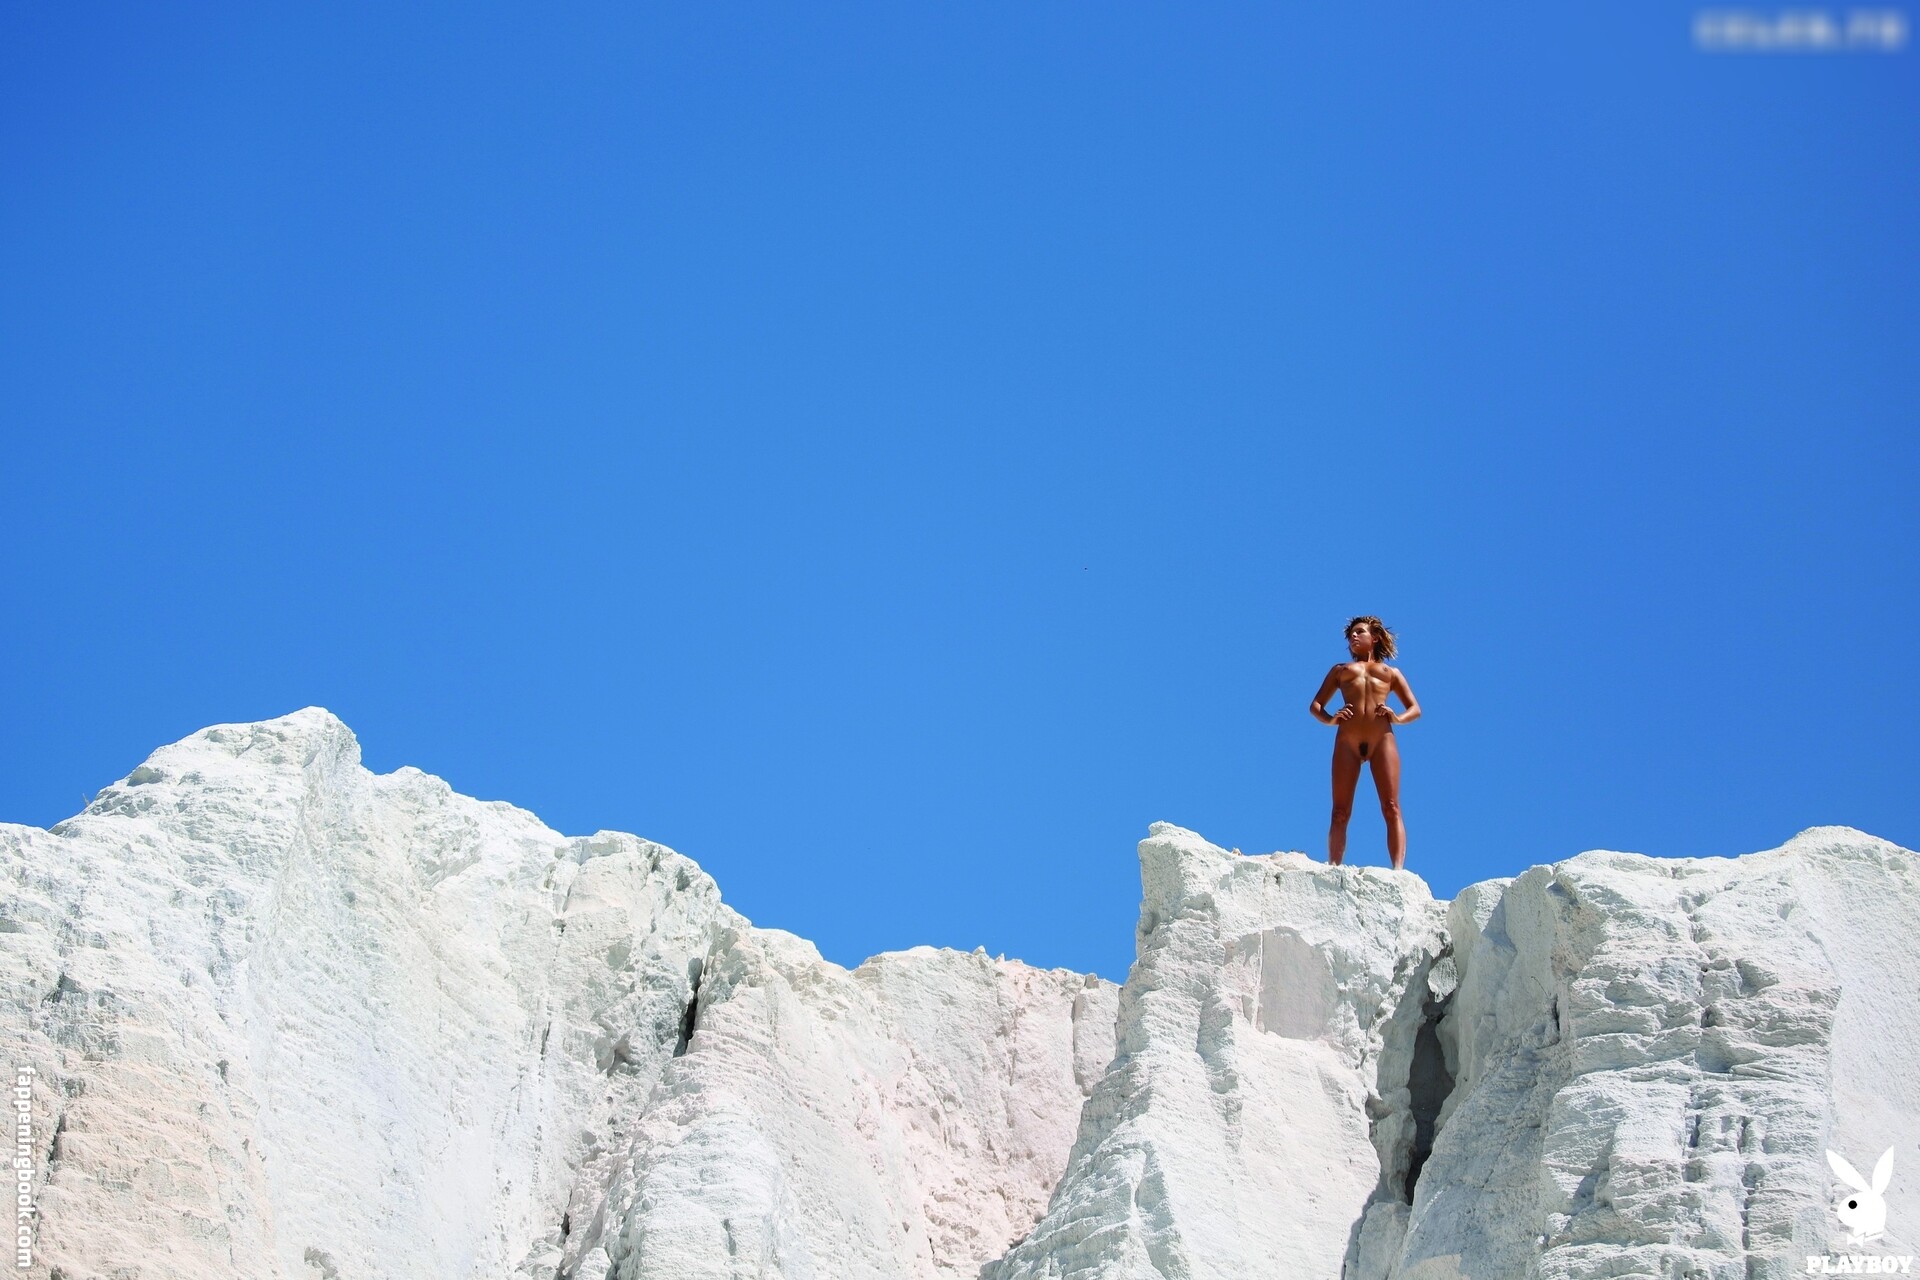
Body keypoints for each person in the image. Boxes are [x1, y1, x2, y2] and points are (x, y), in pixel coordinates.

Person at [1308, 616, 1421, 869]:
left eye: (1360, 632)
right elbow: (1315, 705)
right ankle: (1333, 867)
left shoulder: (1390, 673)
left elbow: (1415, 708)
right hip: (1347, 741)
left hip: (1382, 740)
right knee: (1339, 811)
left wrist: (1397, 717)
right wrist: (1331, 719)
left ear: (1375, 637)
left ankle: (1398, 871)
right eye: (1351, 634)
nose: (1354, 636)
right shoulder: (1341, 670)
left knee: (1391, 806)